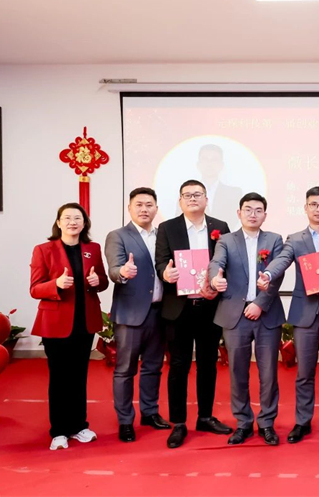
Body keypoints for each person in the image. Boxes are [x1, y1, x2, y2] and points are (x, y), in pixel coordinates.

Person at [257, 186, 319, 444]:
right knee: (304, 373)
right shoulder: (295, 239)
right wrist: (268, 274)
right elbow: (282, 260)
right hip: (304, 314)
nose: (318, 209)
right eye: (313, 204)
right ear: (306, 208)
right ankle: (302, 421)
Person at [155, 179, 232, 449]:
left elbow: (228, 262)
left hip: (209, 307)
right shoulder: (167, 228)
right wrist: (165, 273)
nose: (192, 199)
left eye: (197, 194)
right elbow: (161, 261)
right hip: (179, 308)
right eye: (186, 195)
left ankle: (205, 417)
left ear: (206, 199)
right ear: (180, 201)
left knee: (208, 364)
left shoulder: (220, 227)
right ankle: (178, 422)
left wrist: (218, 282)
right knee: (179, 366)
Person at [207, 192, 286, 446]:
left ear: (265, 214)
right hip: (235, 315)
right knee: (237, 372)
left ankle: (267, 423)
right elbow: (216, 263)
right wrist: (214, 279)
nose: (253, 214)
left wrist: (260, 304)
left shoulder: (274, 240)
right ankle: (243, 423)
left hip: (267, 314)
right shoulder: (226, 240)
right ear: (239, 213)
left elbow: (277, 276)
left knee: (268, 373)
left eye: (258, 210)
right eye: (248, 209)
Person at [30, 202, 109, 451]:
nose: (72, 222)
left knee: (79, 375)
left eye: (78, 218)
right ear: (58, 222)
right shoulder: (44, 250)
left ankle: (79, 426)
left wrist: (97, 281)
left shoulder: (92, 248)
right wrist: (56, 284)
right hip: (55, 323)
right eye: (67, 218)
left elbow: (103, 281)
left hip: (84, 322)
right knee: (59, 377)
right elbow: (35, 288)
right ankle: (59, 431)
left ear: (84, 223)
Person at [104, 187, 171, 443]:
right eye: (139, 204)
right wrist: (123, 272)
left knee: (153, 367)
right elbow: (113, 269)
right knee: (125, 370)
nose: (144, 209)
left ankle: (150, 413)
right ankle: (125, 421)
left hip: (160, 311)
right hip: (131, 314)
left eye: (149, 205)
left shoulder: (163, 234)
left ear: (156, 208)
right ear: (129, 208)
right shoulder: (118, 236)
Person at [197, 144, 244, 230]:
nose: (209, 164)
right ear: (198, 164)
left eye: (214, 160)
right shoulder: (188, 193)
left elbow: (235, 220)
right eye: (205, 159)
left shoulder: (234, 193)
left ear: (221, 165)